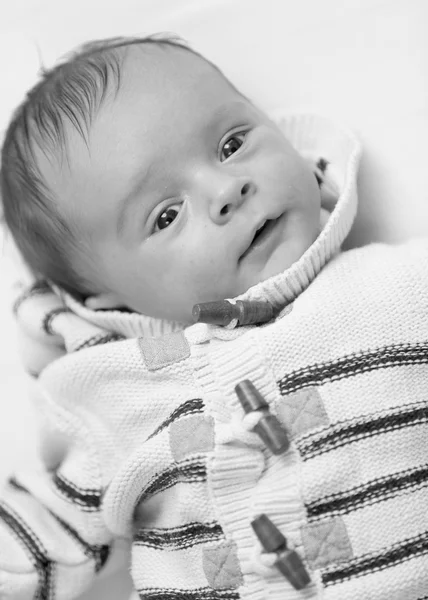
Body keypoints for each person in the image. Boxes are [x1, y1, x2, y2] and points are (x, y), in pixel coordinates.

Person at [0, 34, 427, 600]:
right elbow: (47, 532)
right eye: (166, 215)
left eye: (231, 144)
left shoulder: (396, 287)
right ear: (105, 298)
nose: (227, 189)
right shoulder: (114, 394)